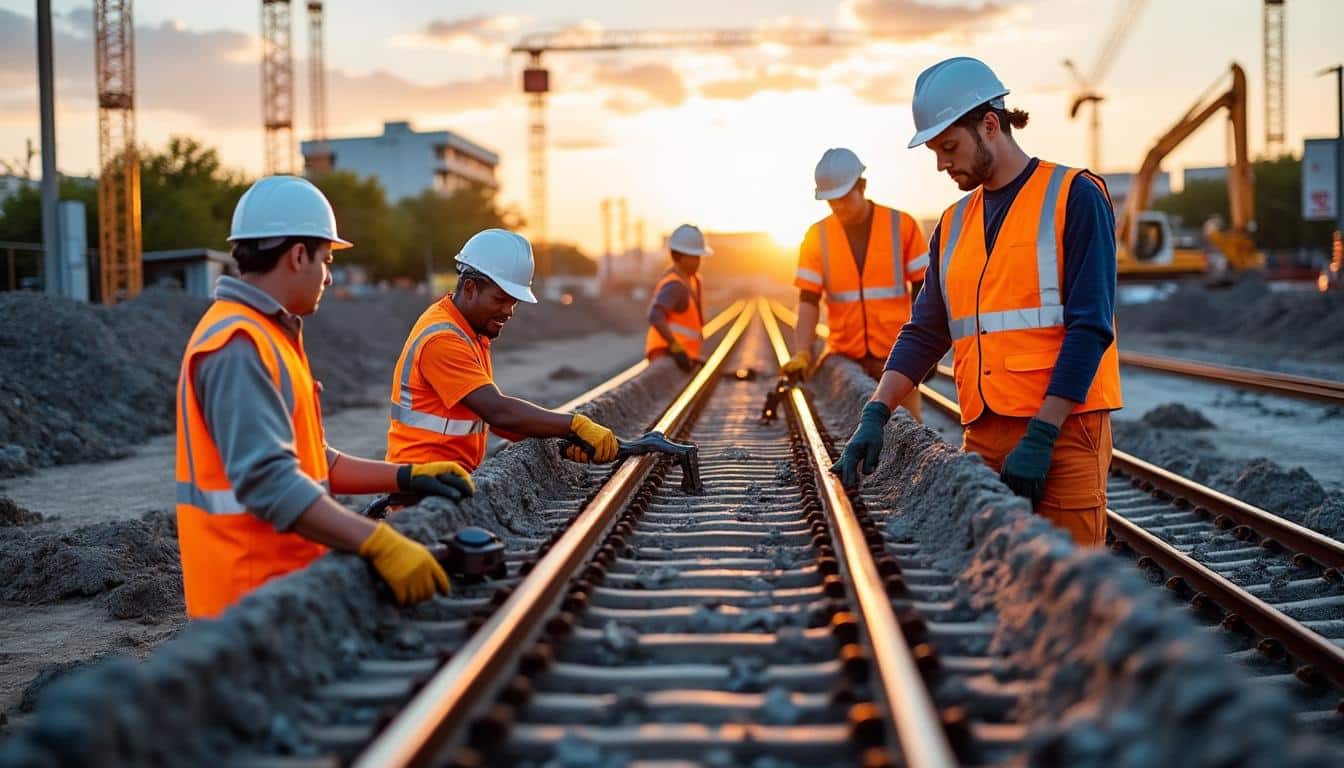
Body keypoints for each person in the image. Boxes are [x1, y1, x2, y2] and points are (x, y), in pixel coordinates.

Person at [830, 57, 1123, 546]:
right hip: (985, 433)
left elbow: (1090, 327)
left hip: (1065, 430)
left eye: (949, 147)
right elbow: (926, 331)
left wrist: (1043, 434)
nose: (942, 164)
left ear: (990, 125)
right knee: (996, 573)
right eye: (935, 152)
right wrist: (875, 413)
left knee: (1068, 580)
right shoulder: (952, 224)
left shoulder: (1074, 196)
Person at [177, 176, 471, 619]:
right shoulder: (237, 345)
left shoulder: (267, 333)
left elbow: (316, 462)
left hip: (280, 595)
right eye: (327, 260)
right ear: (298, 256)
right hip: (247, 606)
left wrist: (408, 476)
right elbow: (270, 483)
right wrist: (377, 542)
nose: (330, 277)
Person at [386, 228, 621, 472]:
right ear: (470, 288)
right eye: (500, 300)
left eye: (513, 302)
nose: (508, 311)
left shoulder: (468, 332)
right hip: (421, 482)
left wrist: (560, 441)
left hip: (443, 476)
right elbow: (497, 412)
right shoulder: (443, 339)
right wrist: (573, 425)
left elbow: (493, 419)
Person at [782, 148, 929, 422]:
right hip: (846, 357)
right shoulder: (816, 236)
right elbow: (808, 299)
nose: (838, 207)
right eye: (831, 201)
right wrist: (802, 351)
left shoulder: (901, 225)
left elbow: (925, 292)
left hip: (897, 356)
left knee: (907, 432)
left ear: (862, 186)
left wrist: (924, 350)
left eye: (843, 198)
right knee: (854, 432)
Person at [645, 224, 711, 372]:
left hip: (681, 355)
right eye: (693, 257)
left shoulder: (693, 281)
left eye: (699, 257)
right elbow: (655, 316)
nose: (698, 261)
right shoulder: (674, 285)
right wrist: (676, 349)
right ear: (678, 256)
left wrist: (690, 355)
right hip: (666, 355)